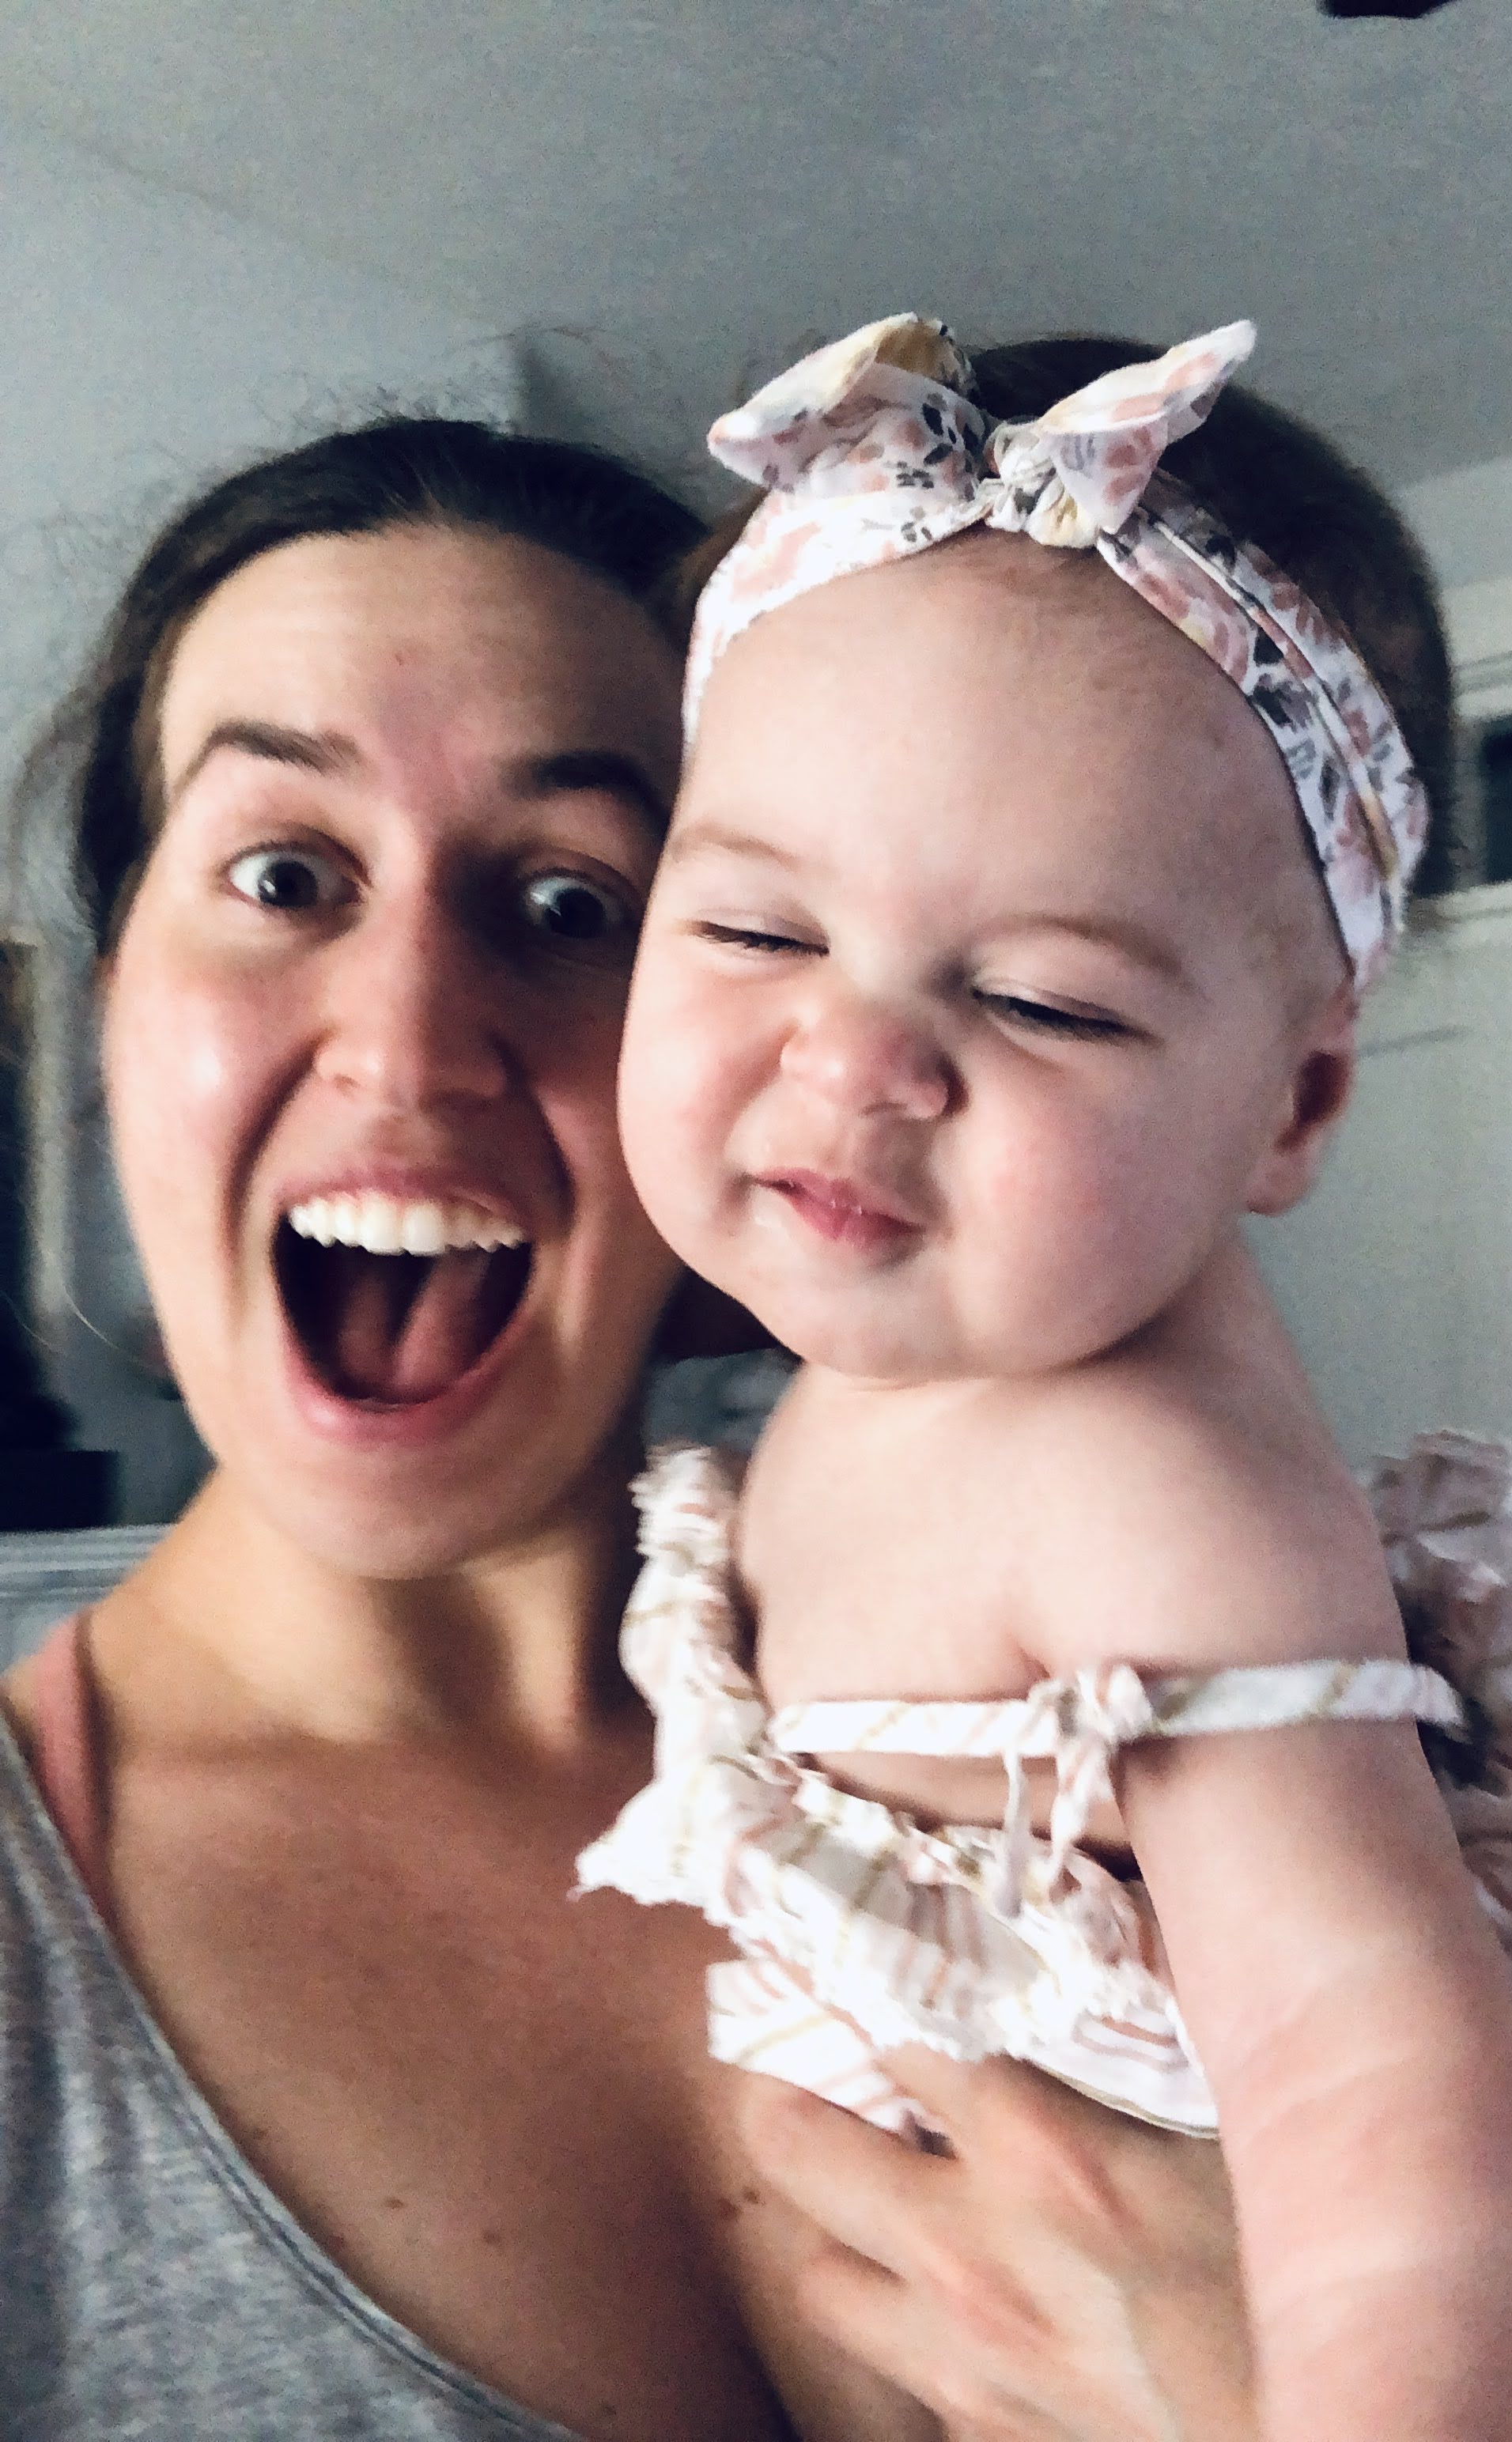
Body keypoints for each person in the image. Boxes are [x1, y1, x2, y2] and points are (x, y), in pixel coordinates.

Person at [587, 317, 1512, 2440]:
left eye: (1042, 998)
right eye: (758, 936)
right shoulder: (872, 1390)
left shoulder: (1134, 1471)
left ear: (1292, 1105)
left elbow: (1385, 2107)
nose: (859, 1059)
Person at [0, 415, 1261, 2441]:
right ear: (118, 998)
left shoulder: (1073, 1721)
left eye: (577, 903)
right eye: (281, 871)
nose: (406, 1041)